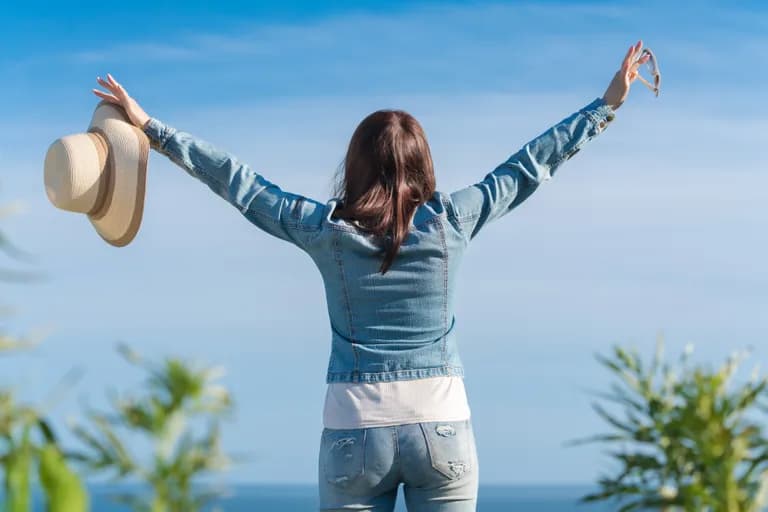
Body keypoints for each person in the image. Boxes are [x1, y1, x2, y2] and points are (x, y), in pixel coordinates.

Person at [92, 40, 650, 512]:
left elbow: (242, 184)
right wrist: (604, 107)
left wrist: (154, 131)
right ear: (424, 163)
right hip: (442, 425)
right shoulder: (454, 219)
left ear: (355, 164)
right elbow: (528, 167)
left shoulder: (326, 229)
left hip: (353, 432)